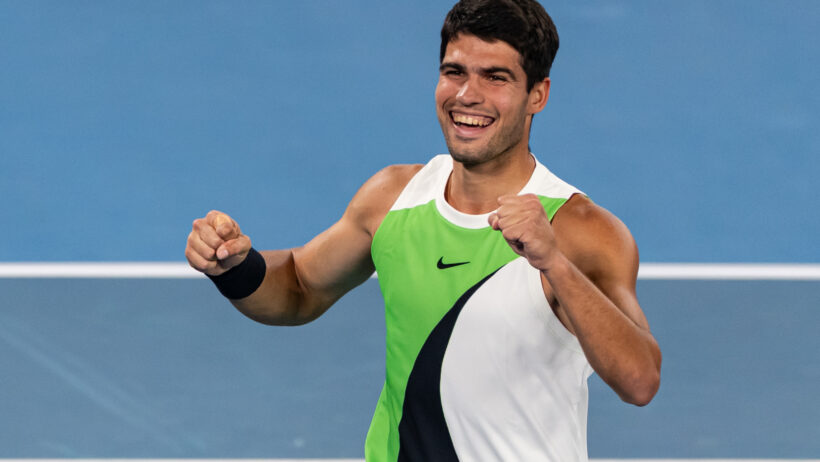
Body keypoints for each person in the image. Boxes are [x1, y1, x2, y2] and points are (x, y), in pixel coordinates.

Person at [185, 0, 661, 460]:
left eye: (496, 77)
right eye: (455, 72)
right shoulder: (393, 196)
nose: (467, 95)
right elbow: (299, 287)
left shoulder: (582, 229)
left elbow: (640, 381)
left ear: (538, 93)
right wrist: (234, 267)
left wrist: (553, 261)